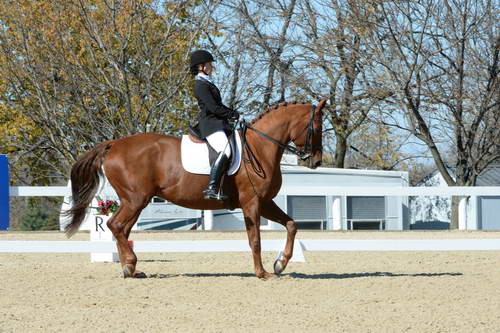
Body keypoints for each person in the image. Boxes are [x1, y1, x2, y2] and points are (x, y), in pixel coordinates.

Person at [189, 50, 240, 200]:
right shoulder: (200, 85)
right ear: (201, 66)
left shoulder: (207, 83)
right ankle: (212, 188)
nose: (211, 67)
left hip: (218, 123)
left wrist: (234, 113)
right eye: (209, 64)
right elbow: (213, 108)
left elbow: (220, 106)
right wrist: (234, 114)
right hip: (210, 124)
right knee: (226, 151)